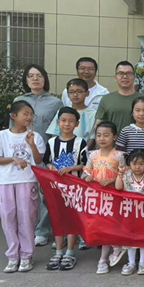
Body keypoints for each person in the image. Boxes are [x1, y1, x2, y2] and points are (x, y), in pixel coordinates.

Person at [0, 101, 46, 273]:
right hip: (6, 182)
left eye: (31, 114)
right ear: (13, 116)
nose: (29, 117)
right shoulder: (2, 136)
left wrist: (31, 144)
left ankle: (26, 255)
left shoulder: (35, 136)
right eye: (25, 114)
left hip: (27, 180)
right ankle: (13, 256)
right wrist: (13, 158)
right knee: (7, 216)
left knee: (26, 217)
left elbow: (39, 160)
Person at [14, 65, 63, 248]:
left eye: (39, 76)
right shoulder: (18, 100)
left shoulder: (55, 102)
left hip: (44, 154)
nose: (35, 79)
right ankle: (26, 229)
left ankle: (41, 231)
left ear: (45, 79)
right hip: (21, 153)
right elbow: (12, 128)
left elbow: (59, 129)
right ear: (26, 80)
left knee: (46, 194)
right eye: (31, 76)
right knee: (24, 193)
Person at [43, 107, 88, 272]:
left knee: (72, 218)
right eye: (63, 120)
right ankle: (58, 252)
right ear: (57, 123)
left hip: (74, 187)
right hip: (56, 187)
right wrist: (51, 167)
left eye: (71, 121)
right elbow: (46, 160)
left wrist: (71, 168)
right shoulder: (51, 142)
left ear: (77, 124)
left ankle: (69, 252)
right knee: (58, 218)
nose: (67, 124)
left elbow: (86, 164)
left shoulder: (80, 142)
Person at [81, 122, 126, 274]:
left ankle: (112, 251)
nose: (102, 138)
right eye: (99, 135)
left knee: (112, 224)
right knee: (101, 226)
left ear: (114, 137)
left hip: (113, 196)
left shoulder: (119, 156)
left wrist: (112, 180)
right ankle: (105, 256)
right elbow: (86, 172)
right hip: (97, 197)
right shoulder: (93, 155)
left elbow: (125, 175)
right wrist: (87, 177)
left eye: (106, 135)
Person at [115, 148, 144, 276]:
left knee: (143, 238)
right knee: (130, 239)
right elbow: (118, 187)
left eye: (141, 164)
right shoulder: (126, 176)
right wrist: (119, 175)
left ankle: (142, 262)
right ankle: (131, 263)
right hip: (129, 213)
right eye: (134, 164)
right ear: (129, 163)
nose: (137, 167)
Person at [95, 61, 143, 134]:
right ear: (115, 77)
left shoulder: (143, 99)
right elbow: (99, 125)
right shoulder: (106, 99)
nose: (125, 76)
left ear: (134, 77)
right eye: (121, 73)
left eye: (129, 73)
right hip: (113, 141)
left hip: (137, 140)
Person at [47, 79, 97, 144]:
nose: (75, 95)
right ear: (67, 94)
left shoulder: (93, 114)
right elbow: (55, 133)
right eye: (71, 92)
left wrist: (84, 149)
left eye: (79, 92)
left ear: (87, 93)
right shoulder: (63, 112)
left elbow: (92, 138)